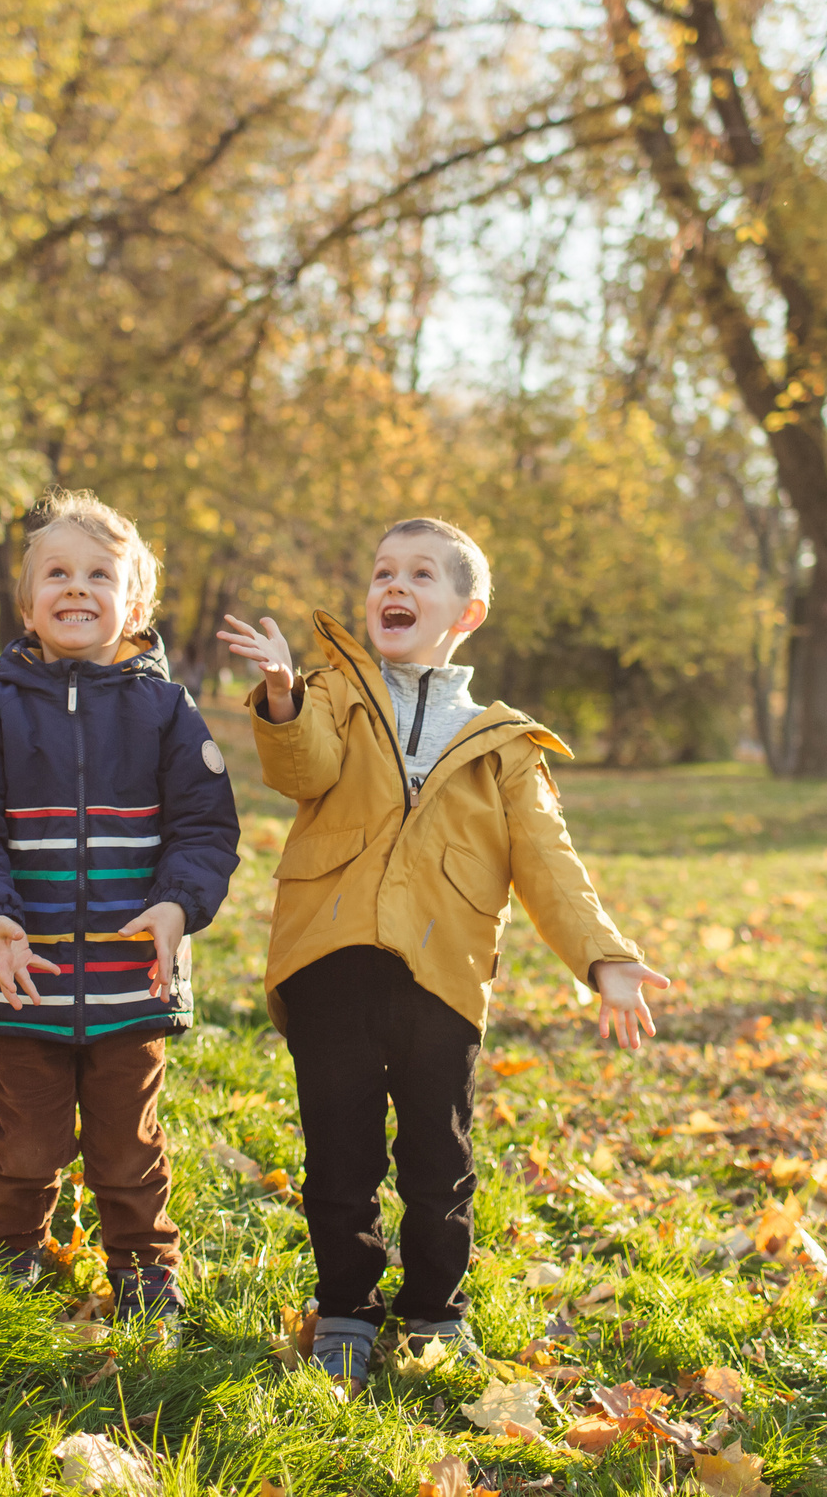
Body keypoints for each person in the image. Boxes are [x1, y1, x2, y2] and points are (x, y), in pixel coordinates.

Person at [217, 519, 670, 1392]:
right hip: (331, 952)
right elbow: (303, 772)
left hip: (445, 971)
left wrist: (605, 957)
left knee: (439, 1154)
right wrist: (283, 697)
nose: (394, 585)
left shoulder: (504, 744)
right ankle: (346, 1305)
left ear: (468, 610)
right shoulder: (336, 693)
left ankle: (434, 1311)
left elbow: (548, 861)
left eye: (420, 573)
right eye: (383, 569)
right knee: (339, 1147)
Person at [0, 492, 242, 1332]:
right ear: (27, 604)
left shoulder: (167, 713)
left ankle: (145, 1269)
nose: (77, 587)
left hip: (128, 979)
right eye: (56, 573)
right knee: (24, 1139)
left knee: (127, 1145)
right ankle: (12, 1255)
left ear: (133, 605)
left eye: (100, 574)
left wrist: (178, 904)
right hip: (22, 975)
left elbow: (206, 828)